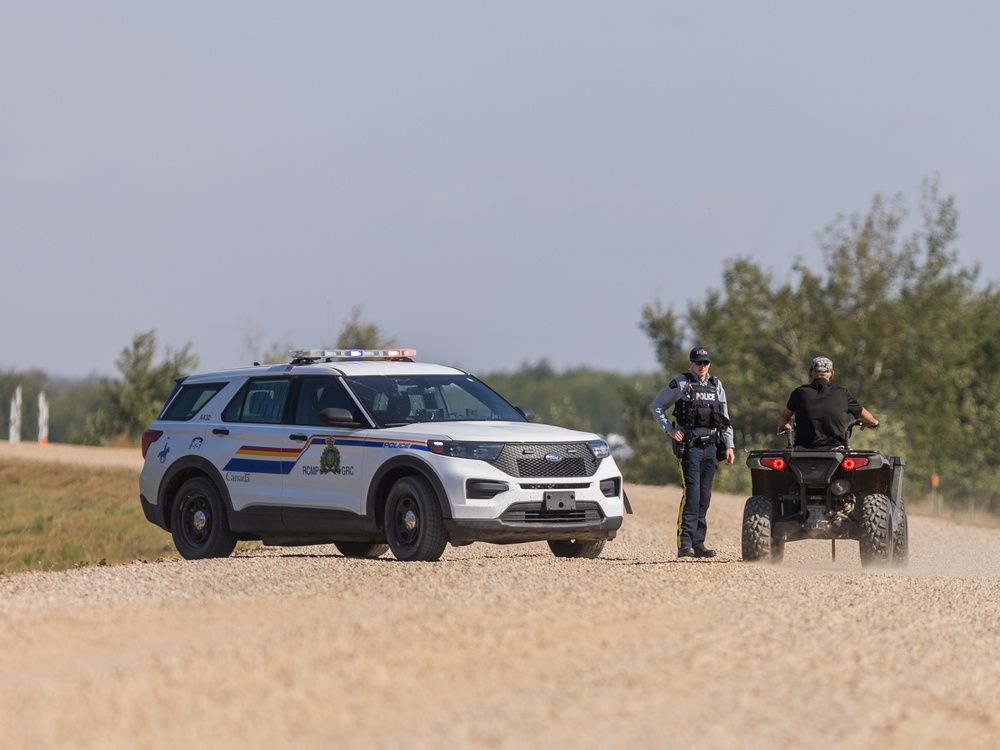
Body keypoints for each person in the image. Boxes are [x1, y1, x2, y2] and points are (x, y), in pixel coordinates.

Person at [650, 346, 735, 559]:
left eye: (705, 363)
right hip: (690, 448)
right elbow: (657, 406)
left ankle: (699, 544)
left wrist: (730, 445)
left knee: (705, 496)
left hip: (711, 447)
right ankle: (684, 544)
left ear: (709, 364)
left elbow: (724, 419)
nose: (702, 366)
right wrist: (669, 430)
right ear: (691, 363)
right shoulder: (680, 382)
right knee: (692, 494)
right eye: (698, 363)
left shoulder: (717, 385)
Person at [777, 356, 879, 447]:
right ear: (832, 374)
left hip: (803, 450)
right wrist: (874, 422)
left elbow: (784, 419)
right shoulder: (842, 393)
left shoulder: (799, 393)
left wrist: (790, 429)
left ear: (810, 373)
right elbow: (868, 417)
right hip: (836, 450)